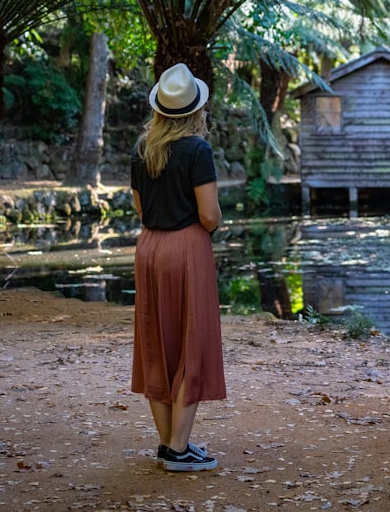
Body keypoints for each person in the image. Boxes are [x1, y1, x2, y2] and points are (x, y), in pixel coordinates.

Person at [129, 62, 226, 472]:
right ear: (194, 111)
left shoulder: (143, 149)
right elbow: (209, 216)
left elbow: (139, 208)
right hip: (187, 247)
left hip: (150, 248)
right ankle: (179, 449)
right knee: (192, 342)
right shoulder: (198, 151)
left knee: (157, 343)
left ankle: (170, 444)